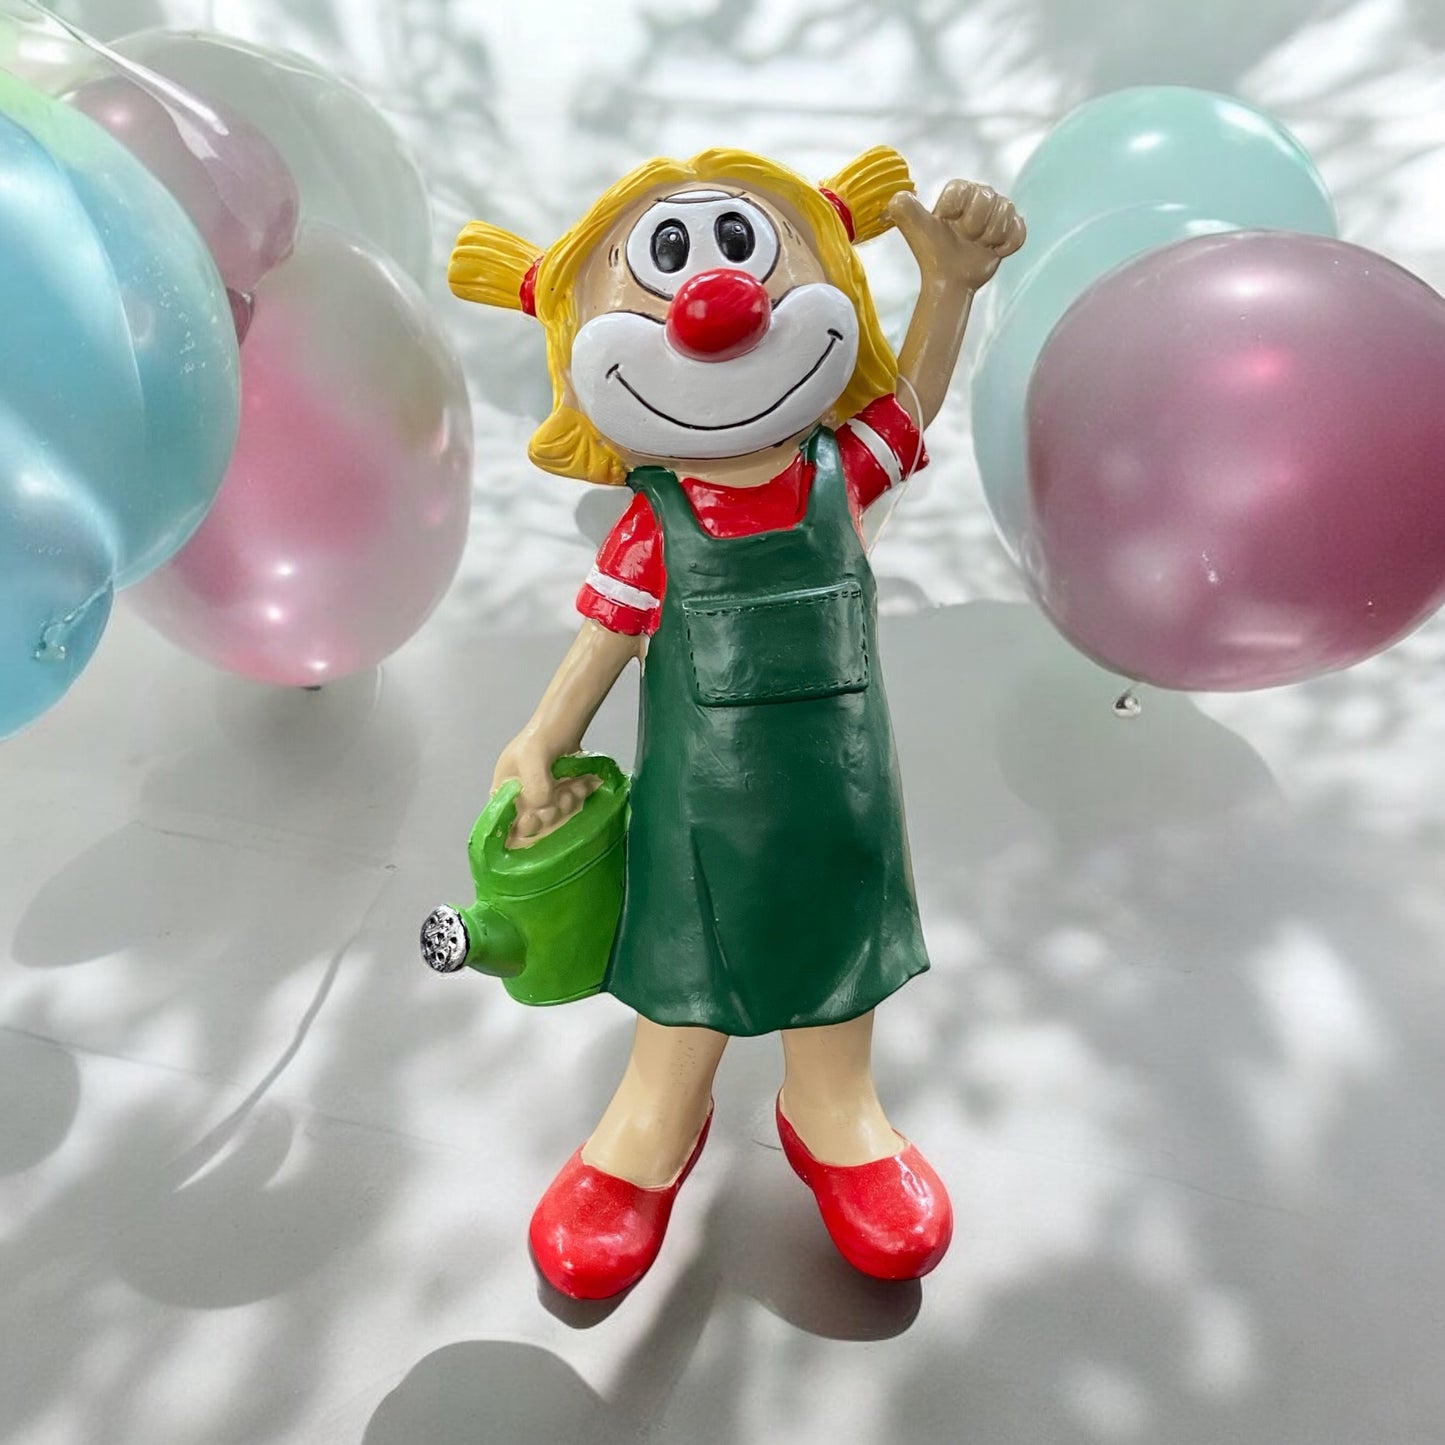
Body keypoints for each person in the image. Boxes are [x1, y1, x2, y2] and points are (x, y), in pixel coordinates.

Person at [449, 146, 1023, 1299]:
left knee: (836, 936)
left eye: (746, 256)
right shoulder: (653, 522)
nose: (718, 307)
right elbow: (601, 643)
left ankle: (832, 1102)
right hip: (695, 809)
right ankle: (656, 1111)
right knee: (687, 953)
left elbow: (909, 407)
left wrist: (950, 288)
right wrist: (542, 734)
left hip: (840, 789)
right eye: (665, 269)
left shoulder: (840, 473)